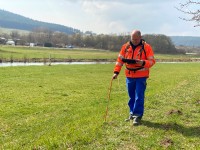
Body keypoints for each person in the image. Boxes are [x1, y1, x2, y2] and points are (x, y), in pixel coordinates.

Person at [112, 30, 155, 125]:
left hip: (141, 76)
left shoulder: (147, 47)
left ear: (140, 37)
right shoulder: (125, 47)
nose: (134, 41)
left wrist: (143, 62)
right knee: (131, 96)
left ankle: (137, 116)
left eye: (136, 39)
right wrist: (116, 72)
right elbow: (119, 61)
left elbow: (152, 62)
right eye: (133, 39)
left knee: (139, 96)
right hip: (129, 76)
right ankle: (131, 113)